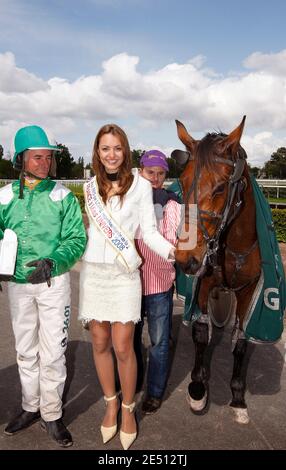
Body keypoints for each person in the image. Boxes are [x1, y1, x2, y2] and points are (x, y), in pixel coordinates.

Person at [78, 124, 175, 450]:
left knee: (123, 346)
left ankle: (129, 409)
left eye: (117, 148)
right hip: (94, 274)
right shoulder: (89, 186)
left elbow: (147, 233)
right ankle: (111, 402)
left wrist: (175, 253)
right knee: (100, 341)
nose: (111, 154)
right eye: (105, 148)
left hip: (124, 276)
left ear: (126, 150)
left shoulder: (140, 188)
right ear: (97, 152)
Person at [0, 125, 87, 447]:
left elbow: (76, 238)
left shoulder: (62, 196)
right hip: (18, 287)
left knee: (53, 353)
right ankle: (29, 407)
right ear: (20, 159)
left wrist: (53, 262)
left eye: (48, 158)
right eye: (37, 157)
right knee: (25, 351)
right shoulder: (4, 196)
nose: (44, 163)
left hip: (54, 283)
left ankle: (51, 413)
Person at [134, 150, 181, 414]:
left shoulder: (172, 203)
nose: (155, 178)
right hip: (129, 283)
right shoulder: (128, 199)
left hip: (159, 284)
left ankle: (154, 392)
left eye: (161, 173)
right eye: (150, 172)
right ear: (140, 171)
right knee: (129, 339)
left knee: (159, 342)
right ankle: (133, 380)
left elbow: (178, 242)